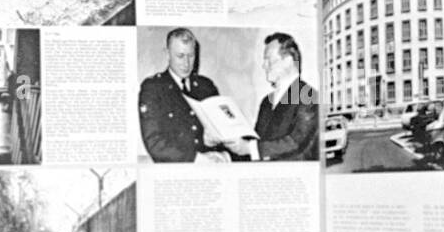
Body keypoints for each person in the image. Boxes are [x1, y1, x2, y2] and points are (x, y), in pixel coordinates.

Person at [223, 33, 319, 162]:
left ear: (288, 61)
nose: (264, 65)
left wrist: (248, 148)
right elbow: (257, 143)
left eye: (268, 59)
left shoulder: (309, 95)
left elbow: (296, 142)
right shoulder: (267, 102)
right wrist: (227, 154)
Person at [137, 28, 227, 164]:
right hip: (175, 171)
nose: (186, 63)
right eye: (180, 56)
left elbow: (222, 130)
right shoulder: (153, 88)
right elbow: (155, 143)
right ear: (167, 54)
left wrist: (221, 152)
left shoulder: (206, 86)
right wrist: (195, 159)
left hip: (210, 167)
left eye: (191, 56)